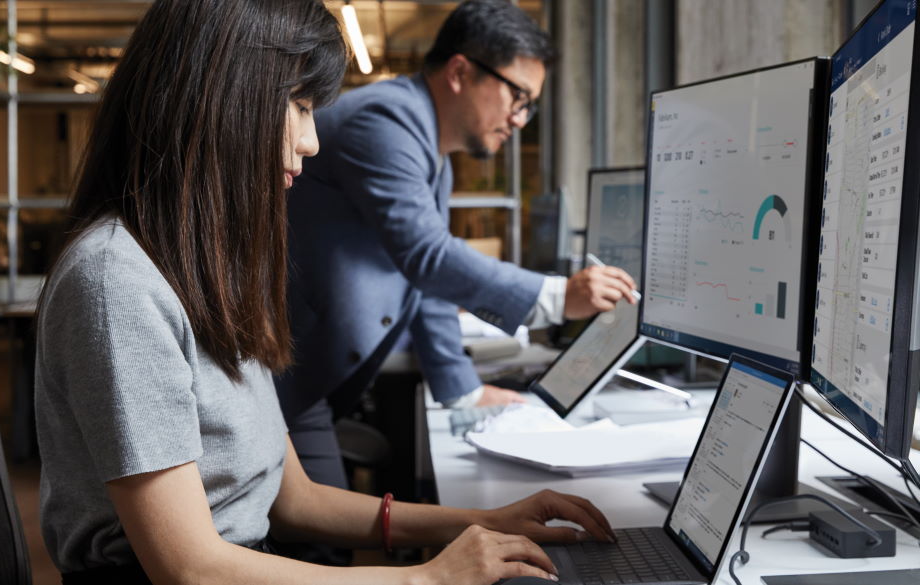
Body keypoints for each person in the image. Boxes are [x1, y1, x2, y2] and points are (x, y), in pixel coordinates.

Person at [35, 0, 617, 583]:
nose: (312, 141)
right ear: (221, 97)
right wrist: (428, 577)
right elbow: (190, 569)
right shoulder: (117, 281)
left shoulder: (212, 271)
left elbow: (295, 500)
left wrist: (482, 520)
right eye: (300, 105)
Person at [277, 0, 638, 492]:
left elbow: (423, 283)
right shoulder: (386, 119)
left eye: (530, 105)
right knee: (317, 548)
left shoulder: (431, 148)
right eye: (518, 96)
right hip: (285, 372)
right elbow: (426, 256)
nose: (520, 119)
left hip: (313, 374)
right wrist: (554, 297)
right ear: (461, 72)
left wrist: (463, 391)